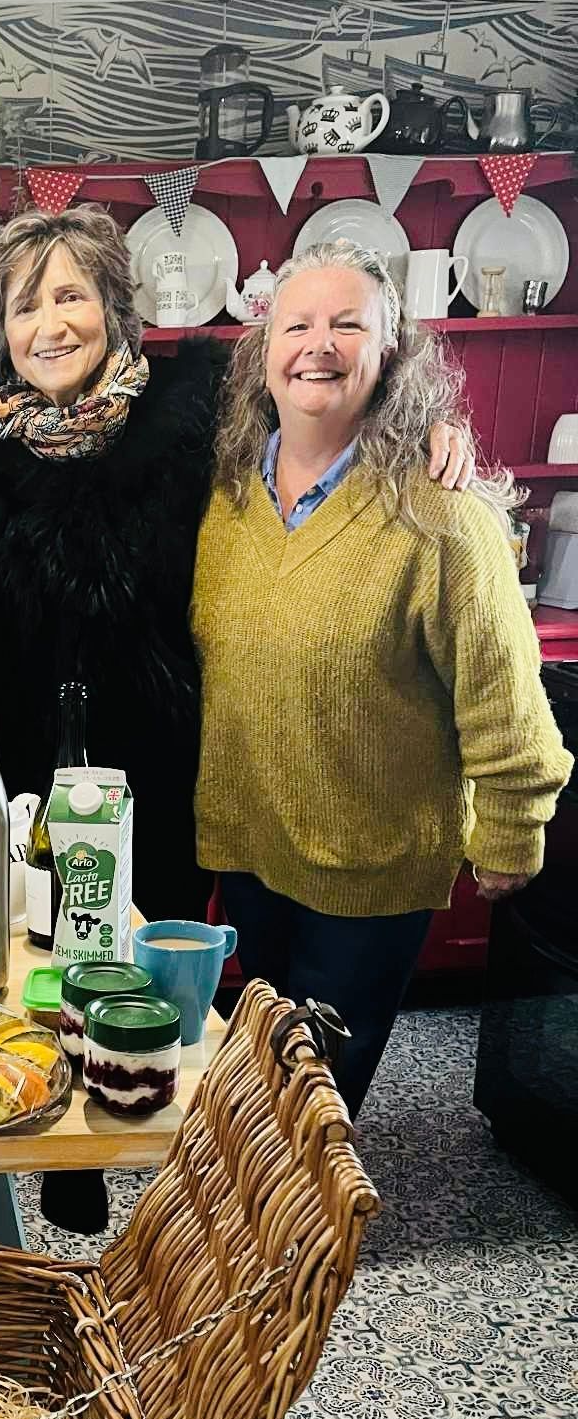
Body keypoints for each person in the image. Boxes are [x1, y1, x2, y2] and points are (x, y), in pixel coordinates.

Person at [0, 205, 479, 927]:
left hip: (167, 771)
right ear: (1, 335)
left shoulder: (200, 402)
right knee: (32, 973)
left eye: (71, 296)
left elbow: (328, 394)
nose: (50, 326)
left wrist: (421, 421)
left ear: (113, 308)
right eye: (25, 308)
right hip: (23, 774)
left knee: (151, 992)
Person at [193, 239, 571, 1116]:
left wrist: (512, 832)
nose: (318, 344)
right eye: (298, 324)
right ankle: (265, 1229)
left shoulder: (440, 516)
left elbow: (506, 695)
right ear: (262, 349)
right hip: (251, 849)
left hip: (370, 872)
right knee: (264, 1075)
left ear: (391, 353)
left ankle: (301, 1246)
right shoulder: (225, 497)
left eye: (347, 324)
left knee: (315, 1104)